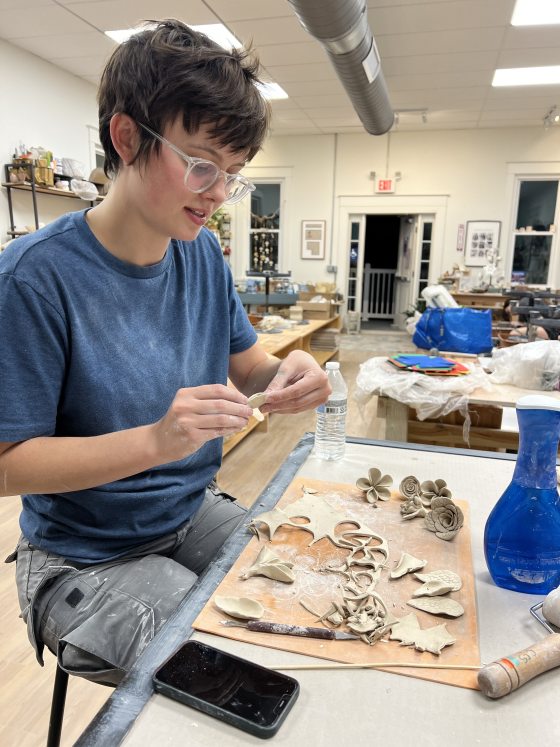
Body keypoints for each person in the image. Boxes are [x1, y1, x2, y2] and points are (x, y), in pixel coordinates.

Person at [0, 20, 330, 685]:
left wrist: (290, 376)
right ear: (128, 138)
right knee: (238, 671)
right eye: (202, 164)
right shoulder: (34, 279)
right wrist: (155, 441)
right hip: (82, 555)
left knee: (307, 598)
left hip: (186, 512)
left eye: (232, 175)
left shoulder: (201, 251)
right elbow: (7, 465)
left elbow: (251, 368)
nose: (215, 193)